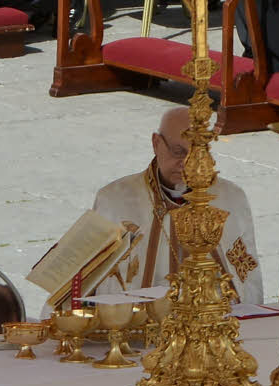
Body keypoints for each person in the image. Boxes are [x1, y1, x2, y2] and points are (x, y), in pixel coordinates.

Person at [92, 107, 263, 303]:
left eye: (196, 153)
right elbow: (96, 282)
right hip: (144, 327)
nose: (187, 163)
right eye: (178, 151)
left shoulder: (231, 198)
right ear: (156, 143)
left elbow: (247, 278)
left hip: (214, 323)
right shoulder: (115, 200)